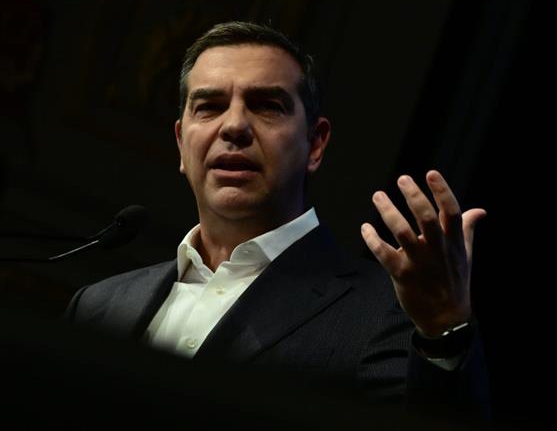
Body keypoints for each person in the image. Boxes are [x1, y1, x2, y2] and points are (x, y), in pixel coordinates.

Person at [64, 21, 490, 421]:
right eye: (209, 107)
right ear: (181, 142)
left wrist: (443, 331)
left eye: (267, 106)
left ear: (315, 144)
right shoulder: (99, 305)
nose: (234, 126)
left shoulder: (390, 312)